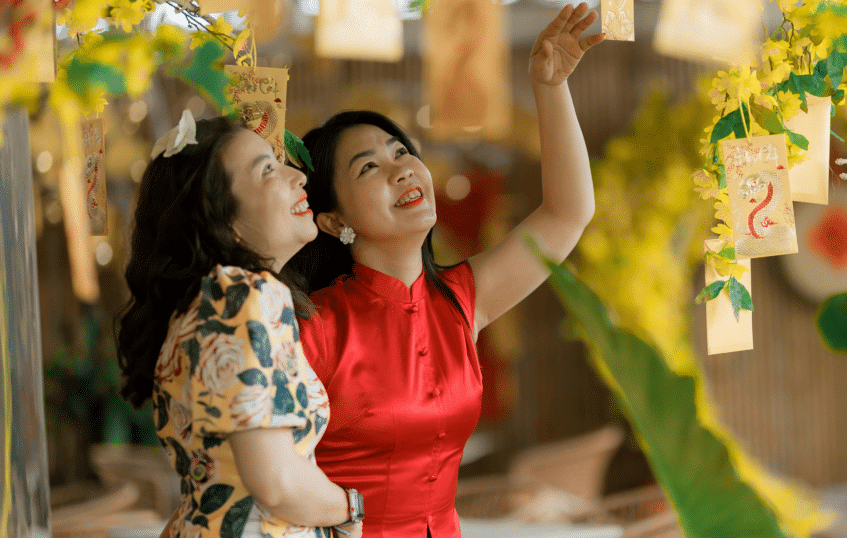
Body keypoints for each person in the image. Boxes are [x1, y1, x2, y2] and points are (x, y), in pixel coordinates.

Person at [286, 4, 604, 537]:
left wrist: (549, 87)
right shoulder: (312, 327)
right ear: (332, 218)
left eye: (400, 151)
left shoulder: (458, 301)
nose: (402, 168)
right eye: (369, 166)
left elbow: (569, 213)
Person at [115, 111, 363, 538]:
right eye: (267, 168)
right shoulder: (242, 295)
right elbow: (276, 481)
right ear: (223, 221)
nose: (297, 177)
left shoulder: (207, 303)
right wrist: (349, 506)